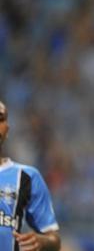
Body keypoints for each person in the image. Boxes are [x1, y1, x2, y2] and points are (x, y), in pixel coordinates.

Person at [0, 101, 61, 251]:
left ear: (7, 129)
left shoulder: (27, 176)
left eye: (0, 118)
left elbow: (54, 239)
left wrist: (42, 242)